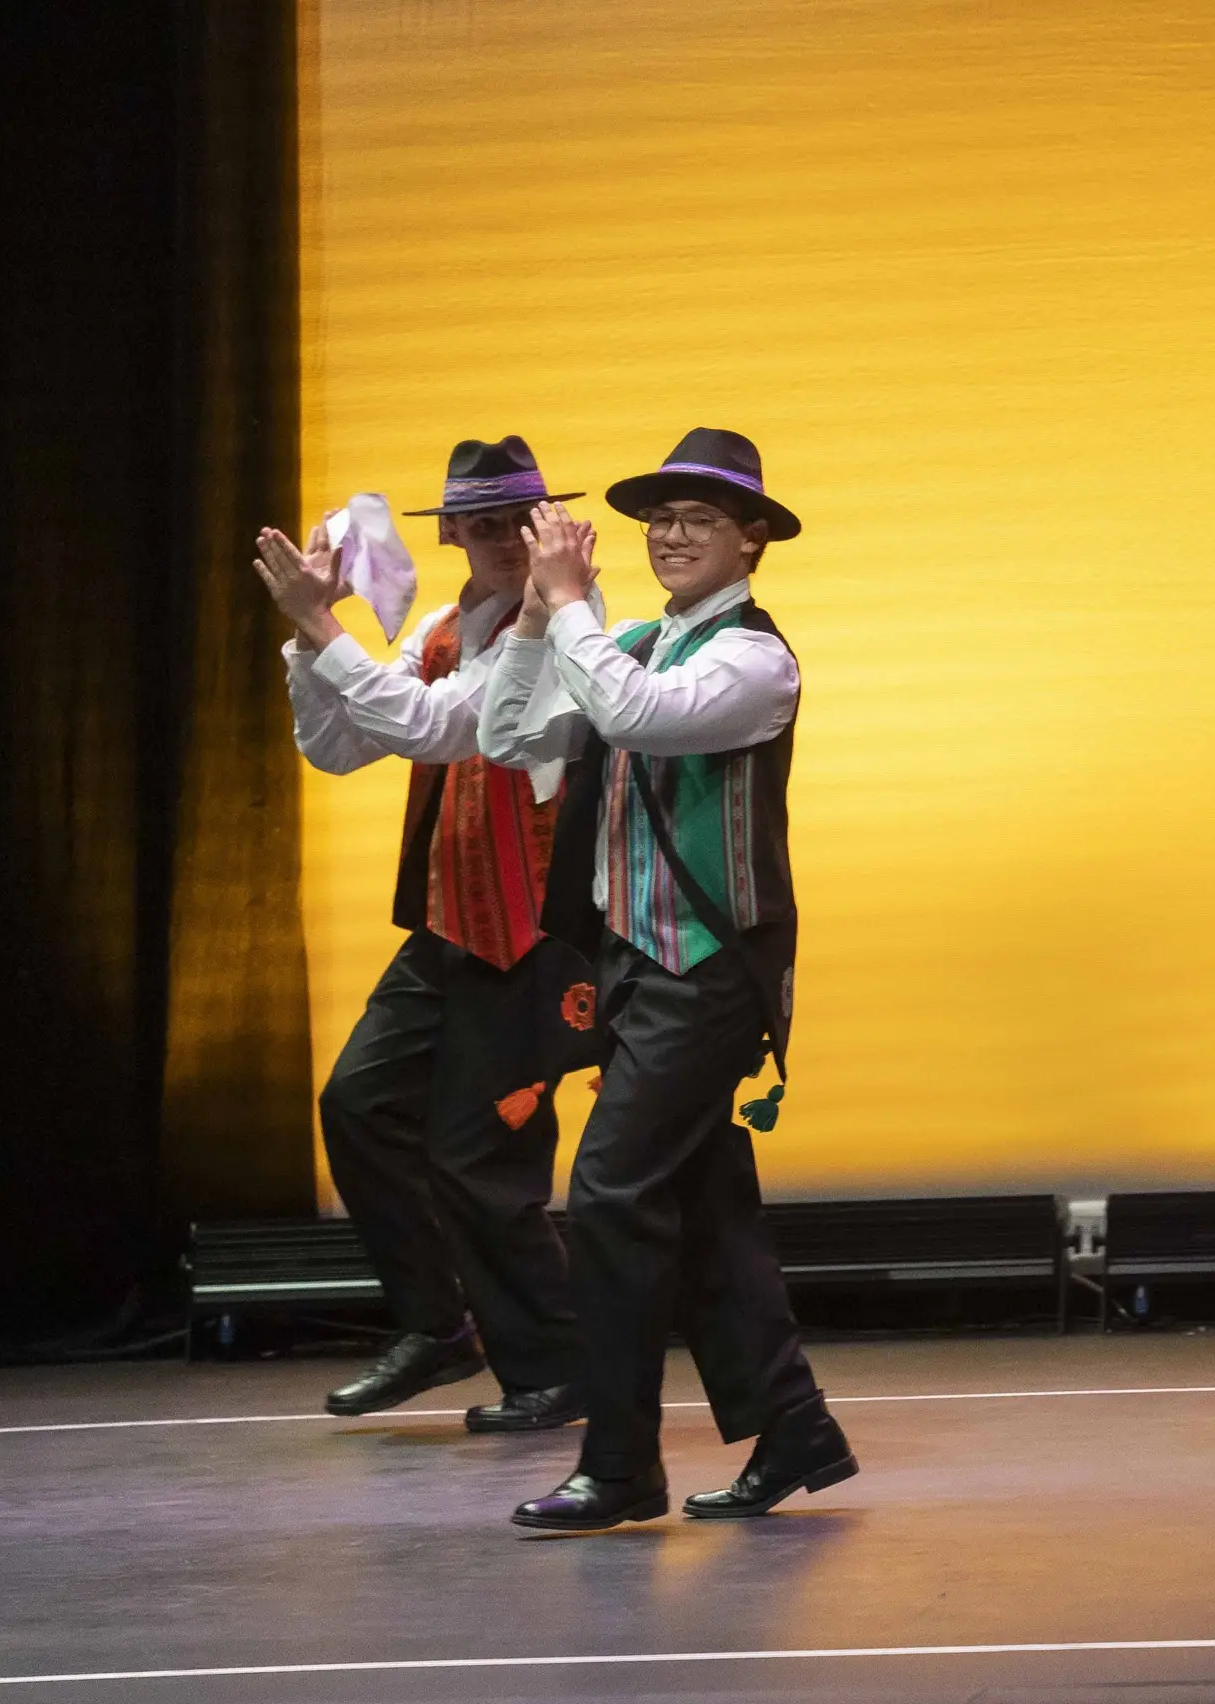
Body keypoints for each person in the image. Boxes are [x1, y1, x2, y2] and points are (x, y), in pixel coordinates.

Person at [479, 427, 856, 1532]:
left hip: (709, 977)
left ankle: (620, 1464)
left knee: (605, 1199)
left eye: (699, 517)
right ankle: (792, 1428)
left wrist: (571, 611)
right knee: (700, 1214)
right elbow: (511, 736)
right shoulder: (630, 640)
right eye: (658, 516)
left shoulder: (755, 660)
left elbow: (639, 717)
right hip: (638, 970)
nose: (671, 532)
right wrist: (545, 618)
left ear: (752, 540)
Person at [251, 435, 592, 1431]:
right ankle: (438, 1326)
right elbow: (343, 742)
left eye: (510, 521)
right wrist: (315, 638)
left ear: (544, 528)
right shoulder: (446, 625)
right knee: (358, 1105)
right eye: (474, 524)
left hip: (536, 938)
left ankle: (556, 1365)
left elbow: (447, 728)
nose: (493, 540)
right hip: (450, 924)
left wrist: (322, 625)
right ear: (450, 536)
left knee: (479, 1160)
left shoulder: (572, 630)